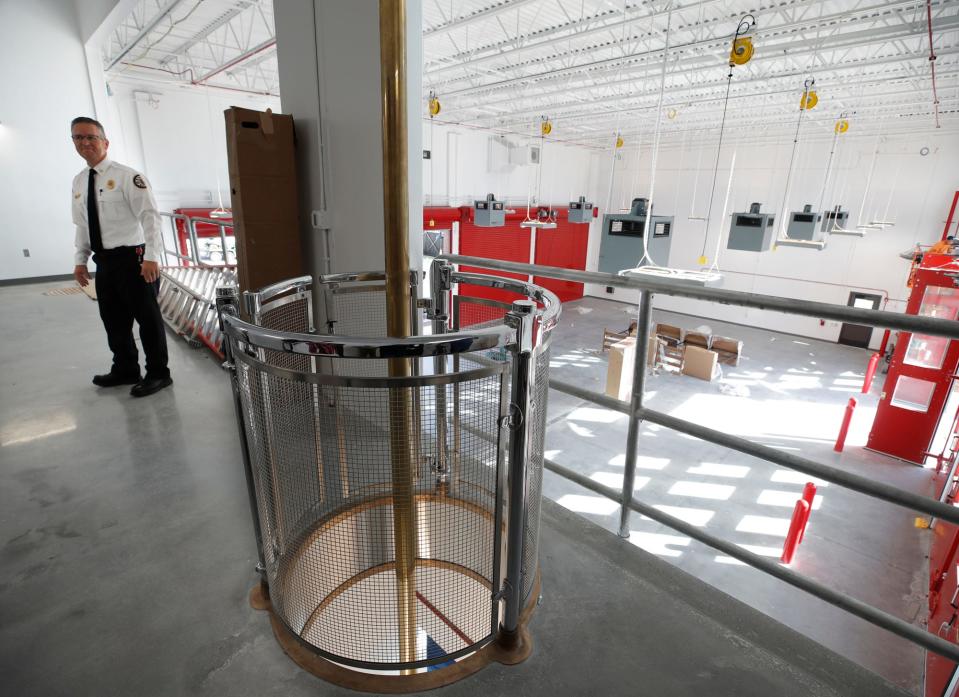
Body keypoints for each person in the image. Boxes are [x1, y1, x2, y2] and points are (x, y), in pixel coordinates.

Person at [70, 116, 172, 397]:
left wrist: (151, 257)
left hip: (134, 260)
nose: (85, 142)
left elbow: (151, 217)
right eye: (78, 138)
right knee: (113, 320)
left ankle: (158, 373)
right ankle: (126, 369)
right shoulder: (79, 182)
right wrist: (81, 260)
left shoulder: (127, 177)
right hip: (104, 262)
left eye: (90, 137)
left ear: (105, 142)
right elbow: (82, 225)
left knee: (148, 320)